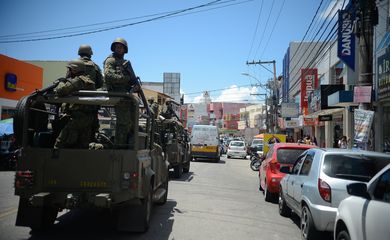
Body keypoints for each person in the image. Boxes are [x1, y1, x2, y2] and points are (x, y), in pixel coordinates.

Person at [103, 38, 138, 147]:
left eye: (121, 47)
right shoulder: (111, 60)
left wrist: (134, 84)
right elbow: (109, 76)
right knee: (123, 123)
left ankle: (127, 143)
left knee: (131, 123)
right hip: (117, 94)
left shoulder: (125, 63)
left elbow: (131, 79)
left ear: (125, 49)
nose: (119, 49)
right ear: (114, 48)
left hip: (125, 96)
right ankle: (119, 146)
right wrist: (126, 78)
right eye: (117, 47)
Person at [54, 59, 96, 149]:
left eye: (69, 69)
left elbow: (61, 91)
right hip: (87, 119)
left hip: (76, 119)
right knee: (81, 146)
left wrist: (61, 81)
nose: (68, 72)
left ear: (74, 70)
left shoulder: (77, 80)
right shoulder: (89, 81)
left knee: (59, 145)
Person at [77, 44, 103, 141]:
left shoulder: (73, 64)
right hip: (90, 103)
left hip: (74, 103)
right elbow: (100, 83)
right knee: (90, 129)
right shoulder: (95, 66)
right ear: (90, 53)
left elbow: (68, 79)